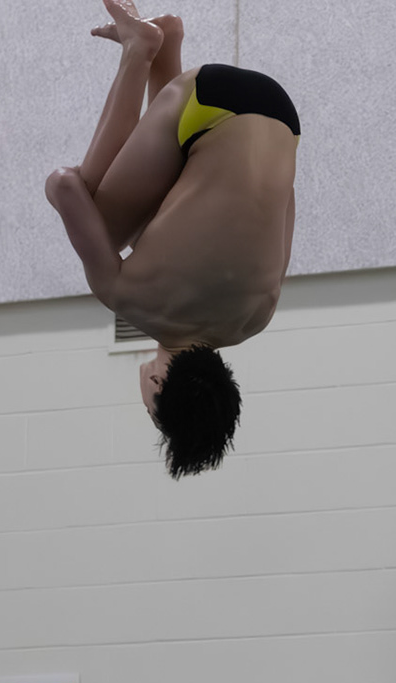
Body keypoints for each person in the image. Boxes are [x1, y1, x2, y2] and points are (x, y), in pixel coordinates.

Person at [44, 0, 300, 478]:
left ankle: (168, 42)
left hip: (282, 117)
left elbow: (286, 203)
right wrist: (66, 201)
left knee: (155, 221)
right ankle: (139, 48)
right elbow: (63, 184)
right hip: (203, 102)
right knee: (102, 218)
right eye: (150, 410)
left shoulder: (256, 319)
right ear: (159, 387)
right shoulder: (128, 298)